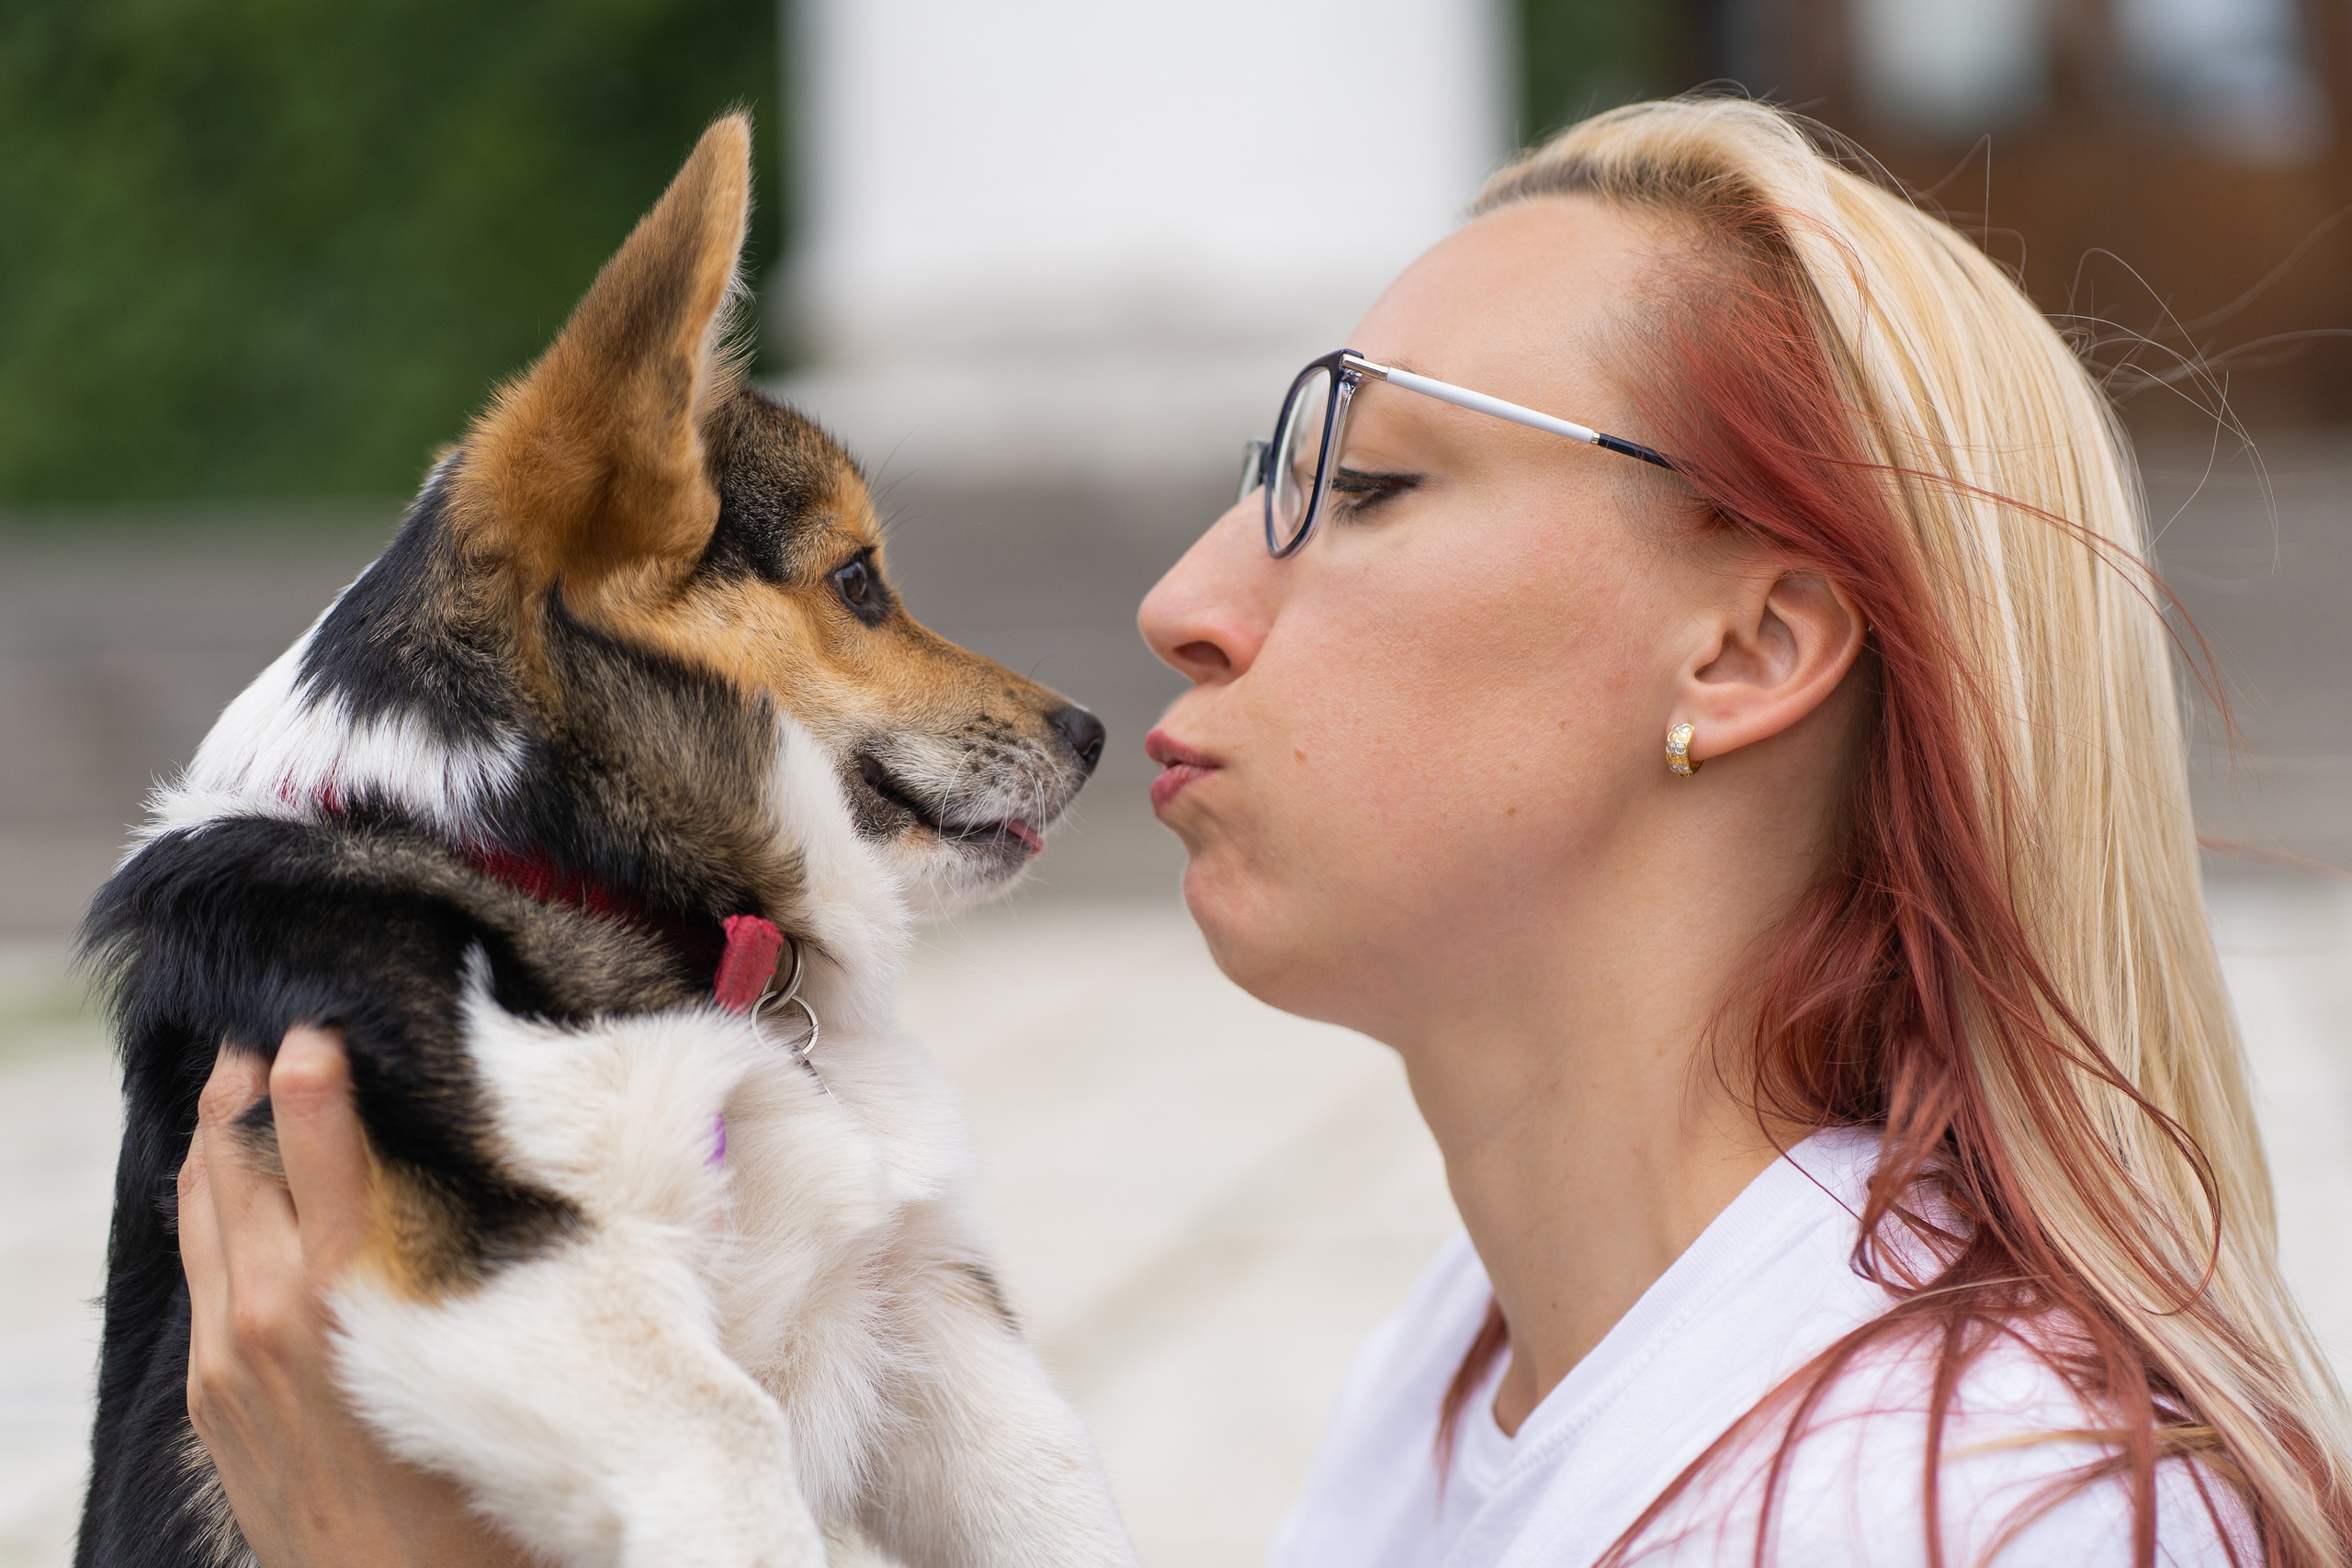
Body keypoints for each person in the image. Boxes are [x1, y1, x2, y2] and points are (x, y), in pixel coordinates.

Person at [176, 97, 2351, 1565]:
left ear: (1745, 648)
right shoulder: (1473, 1367)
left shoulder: (1964, 1512)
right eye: (1259, 474)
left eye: (1368, 487)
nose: (1186, 599)